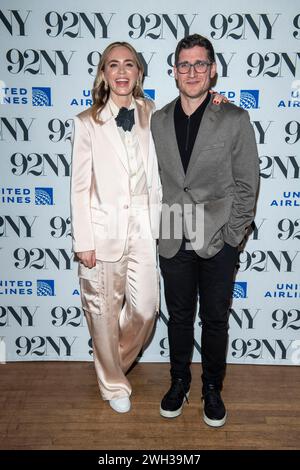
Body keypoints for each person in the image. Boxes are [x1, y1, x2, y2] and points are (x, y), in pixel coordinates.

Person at [151, 34, 259, 427]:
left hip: (217, 235)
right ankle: (178, 381)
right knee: (179, 317)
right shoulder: (157, 119)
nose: (192, 71)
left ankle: (212, 388)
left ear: (213, 70)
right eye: (184, 64)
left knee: (215, 320)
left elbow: (247, 184)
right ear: (174, 71)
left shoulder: (233, 118)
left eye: (200, 64)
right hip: (173, 230)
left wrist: (234, 237)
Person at [70, 41, 162, 414]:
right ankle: (112, 384)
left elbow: (190, 115)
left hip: (144, 224)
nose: (122, 72)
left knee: (146, 310)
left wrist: (214, 101)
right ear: (104, 74)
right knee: (103, 312)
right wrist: (83, 240)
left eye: (129, 64)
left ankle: (110, 367)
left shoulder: (152, 111)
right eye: (113, 65)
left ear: (139, 73)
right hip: (102, 229)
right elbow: (79, 186)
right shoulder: (86, 122)